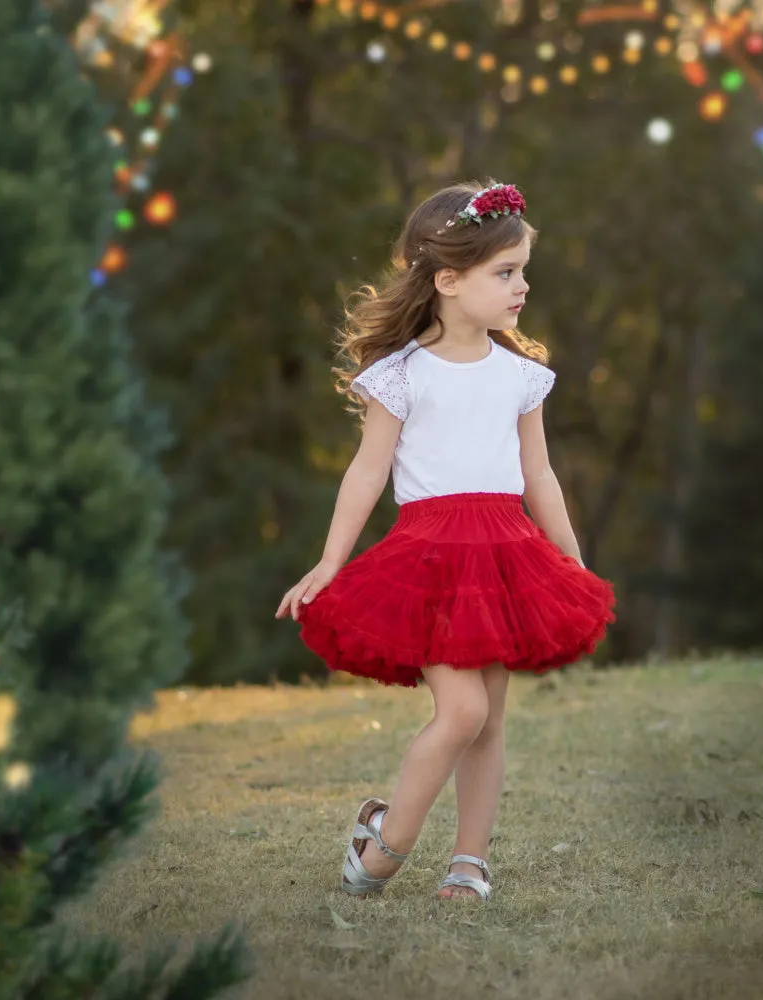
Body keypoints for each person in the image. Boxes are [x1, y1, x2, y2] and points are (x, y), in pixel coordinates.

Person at [275, 180, 616, 901]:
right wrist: (332, 559)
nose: (523, 286)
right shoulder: (399, 376)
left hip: (504, 553)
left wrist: (572, 563)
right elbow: (368, 471)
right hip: (429, 559)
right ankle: (389, 841)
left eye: (523, 270)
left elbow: (540, 474)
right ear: (448, 280)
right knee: (461, 711)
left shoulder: (521, 375)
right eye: (506, 272)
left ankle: (470, 861)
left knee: (488, 719)